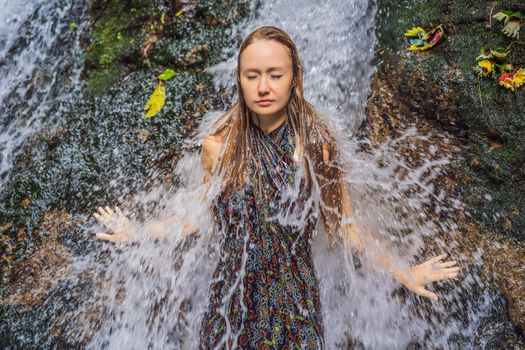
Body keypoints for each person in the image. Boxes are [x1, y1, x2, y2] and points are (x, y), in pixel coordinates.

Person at [93, 26, 460, 349]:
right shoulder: (217, 147)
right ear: (239, 79)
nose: (263, 86)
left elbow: (348, 227)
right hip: (232, 301)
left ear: (295, 78)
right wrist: (138, 232)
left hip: (296, 307)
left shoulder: (318, 146)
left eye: (275, 74)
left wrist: (404, 272)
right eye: (252, 75)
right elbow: (198, 216)